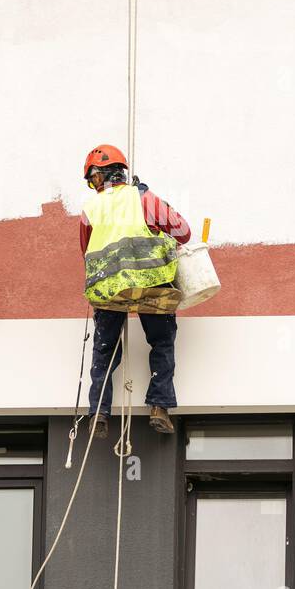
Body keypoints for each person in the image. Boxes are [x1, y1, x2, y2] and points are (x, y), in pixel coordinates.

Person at [80, 144, 191, 437]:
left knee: (104, 350)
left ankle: (99, 415)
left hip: (108, 290)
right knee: (162, 342)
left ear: (100, 176)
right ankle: (159, 407)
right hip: (151, 283)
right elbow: (183, 232)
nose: (94, 187)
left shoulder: (90, 208)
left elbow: (86, 252)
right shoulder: (144, 198)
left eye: (93, 180)